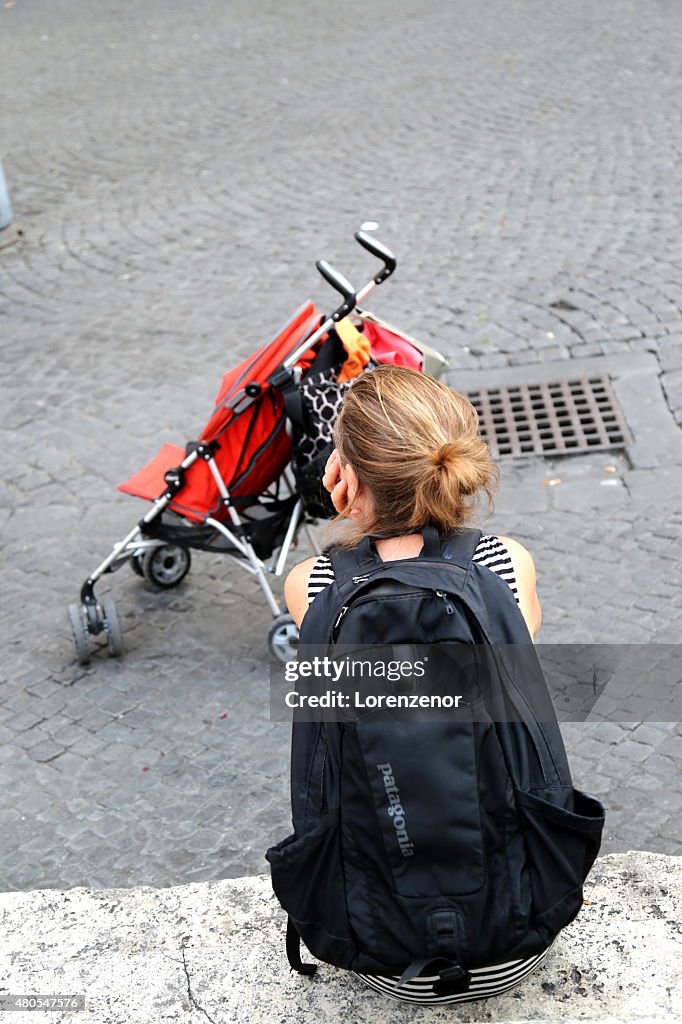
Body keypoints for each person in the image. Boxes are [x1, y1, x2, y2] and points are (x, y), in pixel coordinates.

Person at [283, 364, 552, 1004]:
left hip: (378, 948)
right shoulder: (506, 568)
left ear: (343, 475)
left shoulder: (312, 586)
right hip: (520, 933)